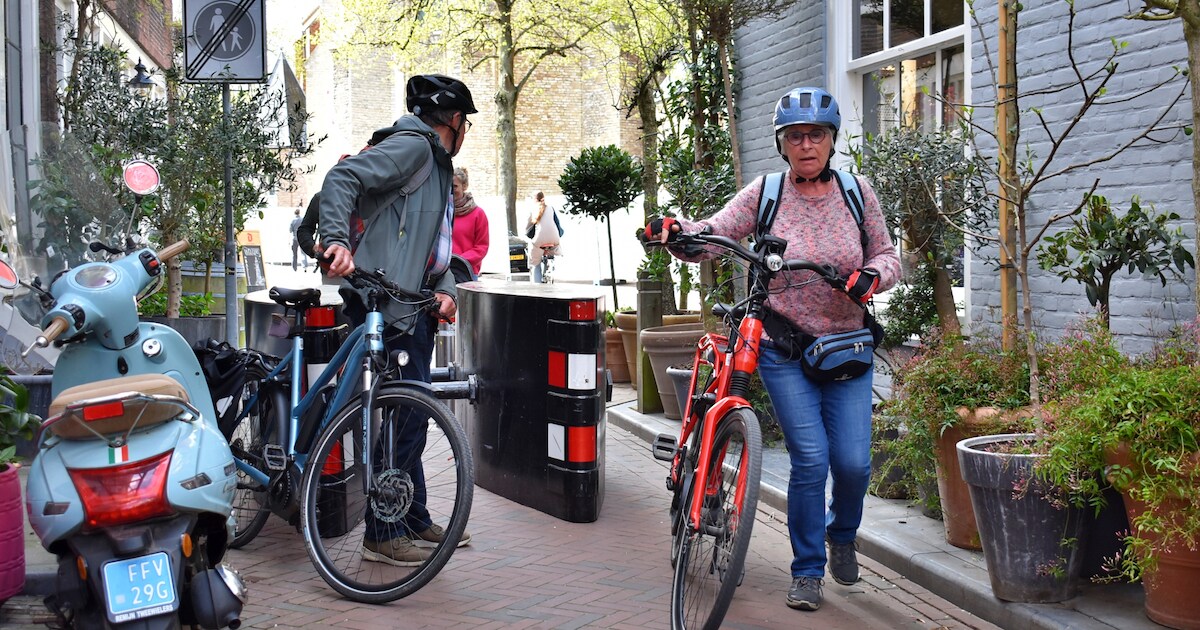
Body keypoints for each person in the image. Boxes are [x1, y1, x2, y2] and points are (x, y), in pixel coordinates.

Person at [642, 86, 900, 613]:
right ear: (783, 144)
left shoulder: (857, 192)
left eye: (817, 135)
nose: (807, 144)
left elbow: (888, 255)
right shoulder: (766, 193)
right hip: (784, 347)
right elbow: (714, 231)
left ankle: (842, 535)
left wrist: (871, 278)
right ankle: (807, 571)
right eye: (796, 136)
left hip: (846, 349)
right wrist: (676, 233)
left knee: (852, 463)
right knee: (811, 459)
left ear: (831, 141)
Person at [318, 73, 477, 566]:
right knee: (409, 413)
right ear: (454, 120)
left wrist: (446, 291)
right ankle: (382, 532)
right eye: (465, 120)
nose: (466, 128)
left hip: (415, 305)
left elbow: (436, 251)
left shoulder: (437, 163)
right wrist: (336, 241)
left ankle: (410, 515)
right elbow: (341, 178)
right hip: (386, 304)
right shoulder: (414, 148)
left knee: (413, 413)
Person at [450, 166, 489, 277]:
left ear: (465, 186)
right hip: (440, 272)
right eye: (448, 186)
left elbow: (482, 246)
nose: (451, 190)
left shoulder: (478, 214)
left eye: (454, 186)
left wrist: (458, 261)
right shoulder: (442, 212)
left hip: (466, 272)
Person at [525, 191, 561, 283]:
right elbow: (558, 225)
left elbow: (527, 228)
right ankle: (551, 266)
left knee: (535, 263)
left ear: (534, 199)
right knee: (553, 251)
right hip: (554, 240)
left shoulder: (532, 209)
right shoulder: (551, 208)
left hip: (539, 241)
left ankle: (536, 284)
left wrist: (528, 235)